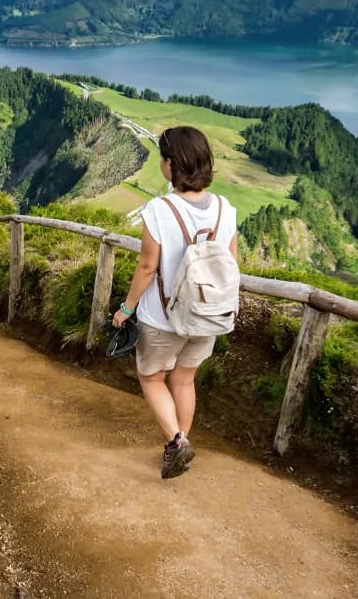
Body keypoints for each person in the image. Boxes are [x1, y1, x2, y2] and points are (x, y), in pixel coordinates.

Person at [112, 125, 238, 479]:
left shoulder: (159, 209)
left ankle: (177, 442)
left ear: (171, 164)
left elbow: (147, 266)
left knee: (152, 378)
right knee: (184, 380)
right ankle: (179, 445)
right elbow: (231, 264)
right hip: (207, 315)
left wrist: (126, 309)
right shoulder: (226, 209)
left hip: (162, 318)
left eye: (162, 158)